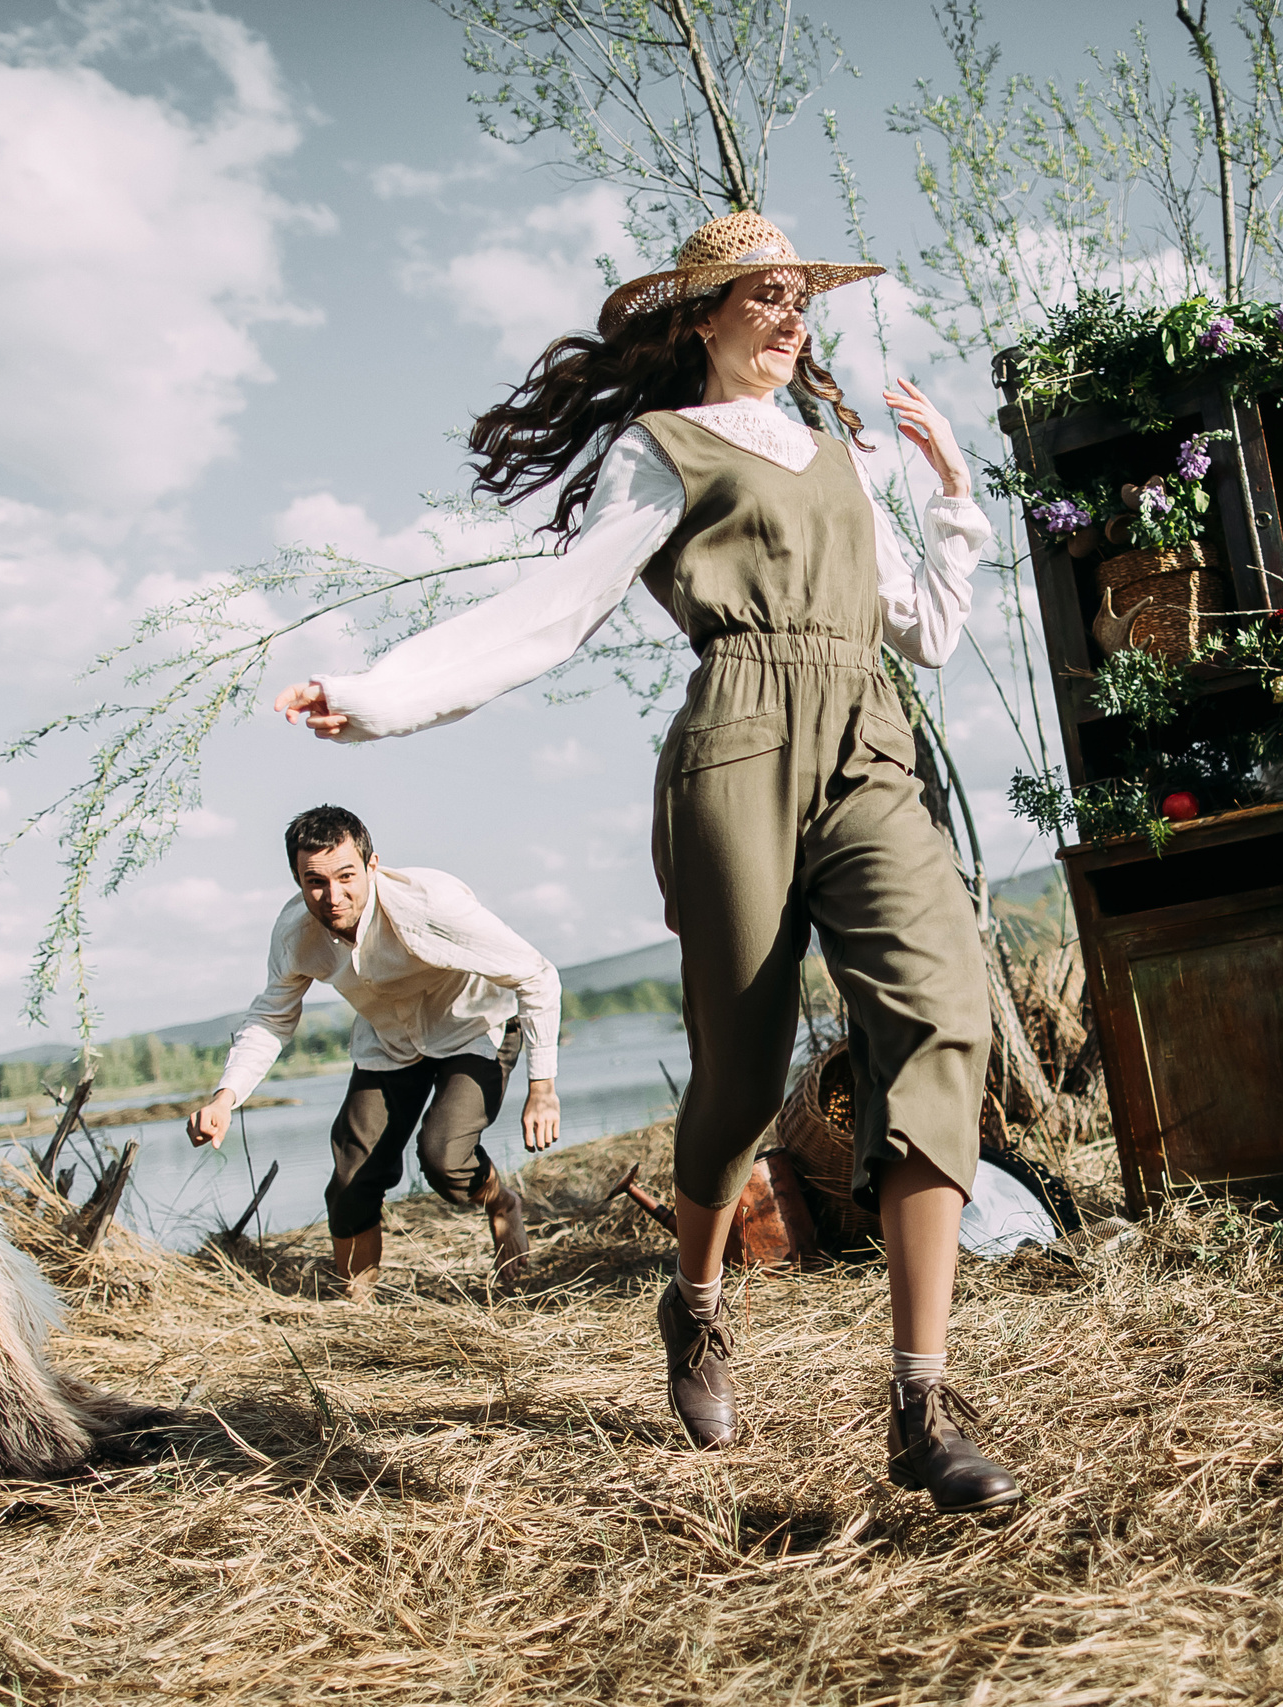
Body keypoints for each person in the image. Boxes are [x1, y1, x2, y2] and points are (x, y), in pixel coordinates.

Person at [266, 212, 1019, 1512]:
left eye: (800, 297)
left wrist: (951, 492)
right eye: (763, 297)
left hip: (869, 745)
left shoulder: (835, 457)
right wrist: (383, 692)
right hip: (738, 747)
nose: (791, 317)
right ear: (703, 318)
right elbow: (550, 612)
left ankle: (919, 1400)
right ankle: (701, 1301)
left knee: (940, 1022)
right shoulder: (660, 449)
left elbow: (931, 633)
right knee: (737, 1067)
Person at [188, 805, 561, 1295]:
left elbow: (536, 973)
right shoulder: (296, 934)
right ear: (297, 880)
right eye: (314, 881)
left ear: (372, 865)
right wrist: (225, 1097)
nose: (332, 895)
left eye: (346, 876)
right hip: (388, 1044)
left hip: (473, 1028)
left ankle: (502, 1203)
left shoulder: (431, 904)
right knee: (351, 1179)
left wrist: (542, 1087)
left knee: (444, 1158)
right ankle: (357, 1303)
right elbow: (271, 1017)